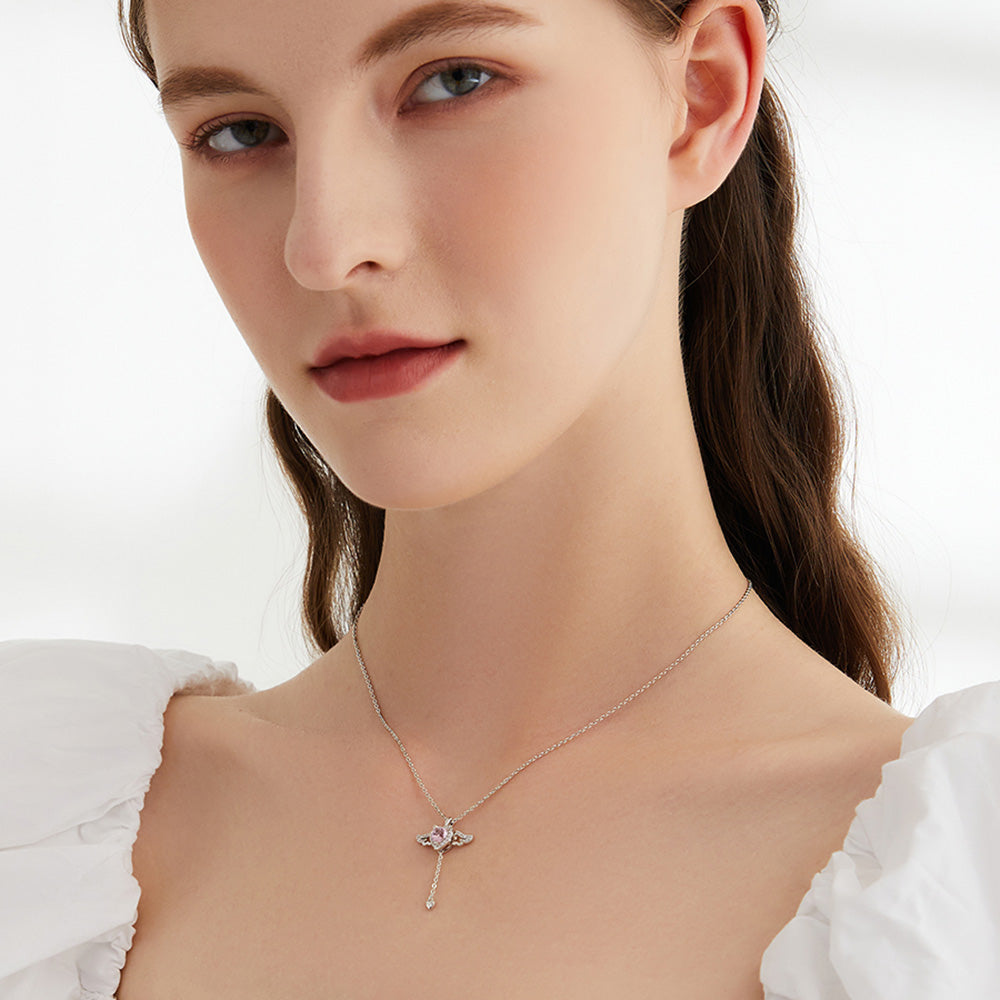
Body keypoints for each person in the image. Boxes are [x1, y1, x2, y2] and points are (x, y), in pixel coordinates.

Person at [0, 0, 997, 997]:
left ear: (700, 95)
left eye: (452, 82)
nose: (325, 245)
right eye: (239, 132)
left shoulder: (959, 897)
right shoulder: (34, 822)